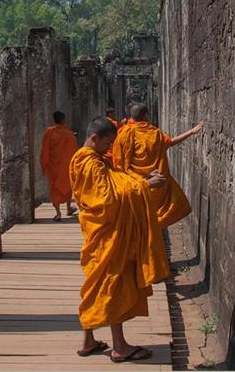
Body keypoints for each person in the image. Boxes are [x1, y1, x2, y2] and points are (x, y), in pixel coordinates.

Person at [70, 116, 170, 363]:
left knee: (96, 283)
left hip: (99, 231)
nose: (110, 149)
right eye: (108, 143)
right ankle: (120, 346)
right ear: (95, 138)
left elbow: (116, 183)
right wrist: (146, 187)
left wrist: (142, 181)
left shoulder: (86, 159)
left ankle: (89, 340)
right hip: (108, 232)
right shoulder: (90, 164)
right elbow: (108, 201)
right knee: (111, 282)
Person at [112, 103, 204, 228]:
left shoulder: (123, 133)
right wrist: (192, 132)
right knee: (154, 215)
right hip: (155, 182)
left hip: (133, 183)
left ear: (132, 117)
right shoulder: (154, 134)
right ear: (146, 116)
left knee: (136, 218)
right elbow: (171, 142)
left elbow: (118, 161)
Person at [40, 111, 78, 221]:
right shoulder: (69, 135)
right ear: (63, 120)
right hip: (65, 165)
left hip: (54, 166)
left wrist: (45, 162)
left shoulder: (49, 132)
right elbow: (74, 150)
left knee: (54, 188)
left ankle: (58, 213)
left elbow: (45, 149)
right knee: (67, 186)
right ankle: (68, 207)